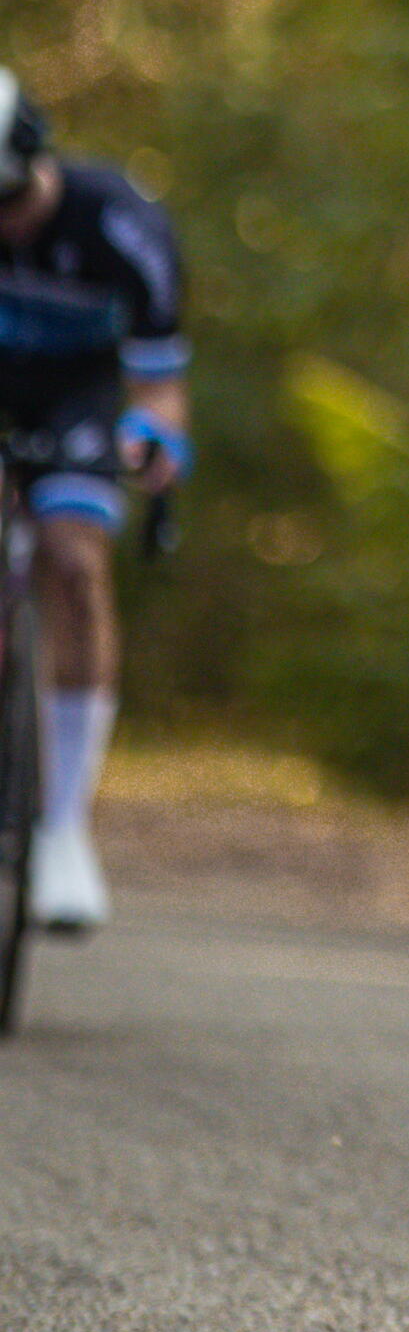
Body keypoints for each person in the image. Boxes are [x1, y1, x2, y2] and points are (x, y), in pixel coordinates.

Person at [0, 74, 192, 935]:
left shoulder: (122, 223)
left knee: (76, 563)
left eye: (11, 199)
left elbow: (161, 382)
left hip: (78, 399)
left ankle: (64, 825)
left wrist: (156, 440)